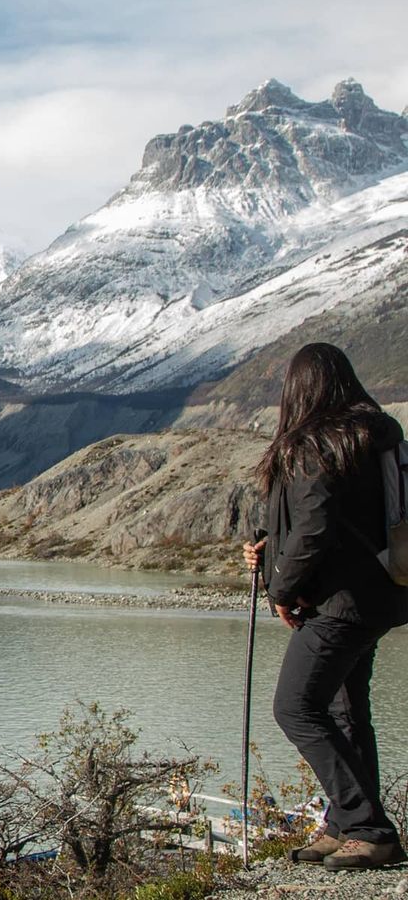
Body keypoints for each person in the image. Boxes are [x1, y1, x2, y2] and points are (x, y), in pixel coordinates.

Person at [243, 342, 408, 871]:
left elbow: (315, 527)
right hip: (382, 592)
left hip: (338, 601)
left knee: (295, 707)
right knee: (346, 710)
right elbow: (319, 520)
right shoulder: (376, 436)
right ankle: (345, 825)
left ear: (300, 389)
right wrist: (267, 546)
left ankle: (368, 827)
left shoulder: (316, 443)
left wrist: (280, 589)